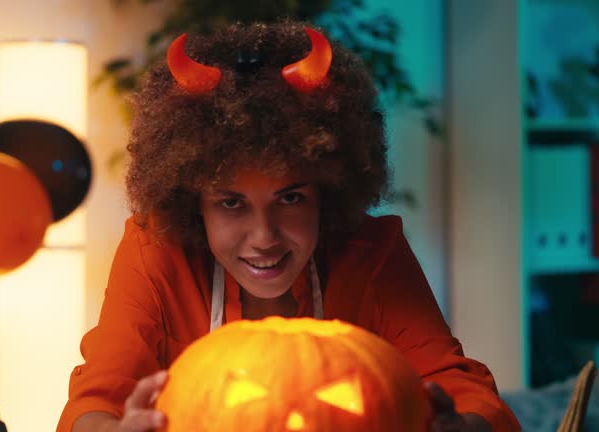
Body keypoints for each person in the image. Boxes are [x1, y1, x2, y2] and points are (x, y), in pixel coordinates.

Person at [57, 20, 521, 432]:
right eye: (231, 202)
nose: (264, 238)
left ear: (329, 191)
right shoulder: (154, 249)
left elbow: (461, 387)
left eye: (291, 198)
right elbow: (97, 398)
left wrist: (462, 426)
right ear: (193, 203)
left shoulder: (374, 253)